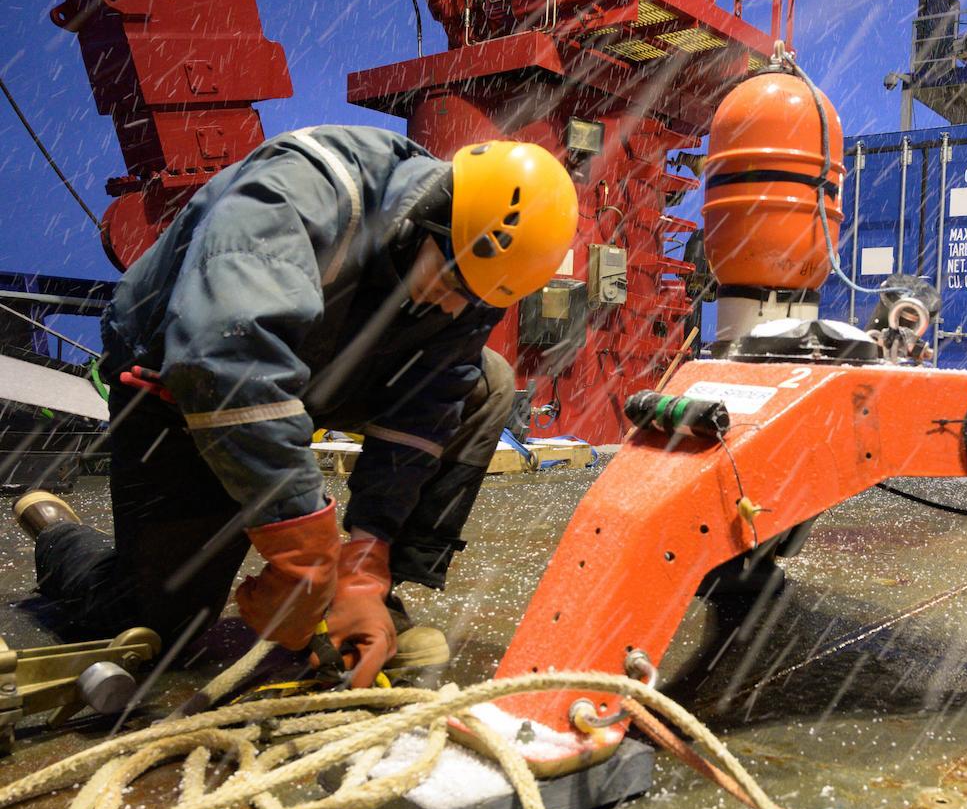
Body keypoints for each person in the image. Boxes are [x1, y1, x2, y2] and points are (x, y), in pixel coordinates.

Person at [11, 126, 578, 687]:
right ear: (430, 216)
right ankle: (58, 532)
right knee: (159, 629)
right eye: (451, 280)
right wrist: (305, 553)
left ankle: (371, 601)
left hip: (309, 370)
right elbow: (225, 360)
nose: (453, 307)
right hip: (179, 384)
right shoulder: (303, 189)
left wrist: (364, 562)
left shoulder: (478, 271)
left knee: (486, 383)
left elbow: (427, 405)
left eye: (473, 299)